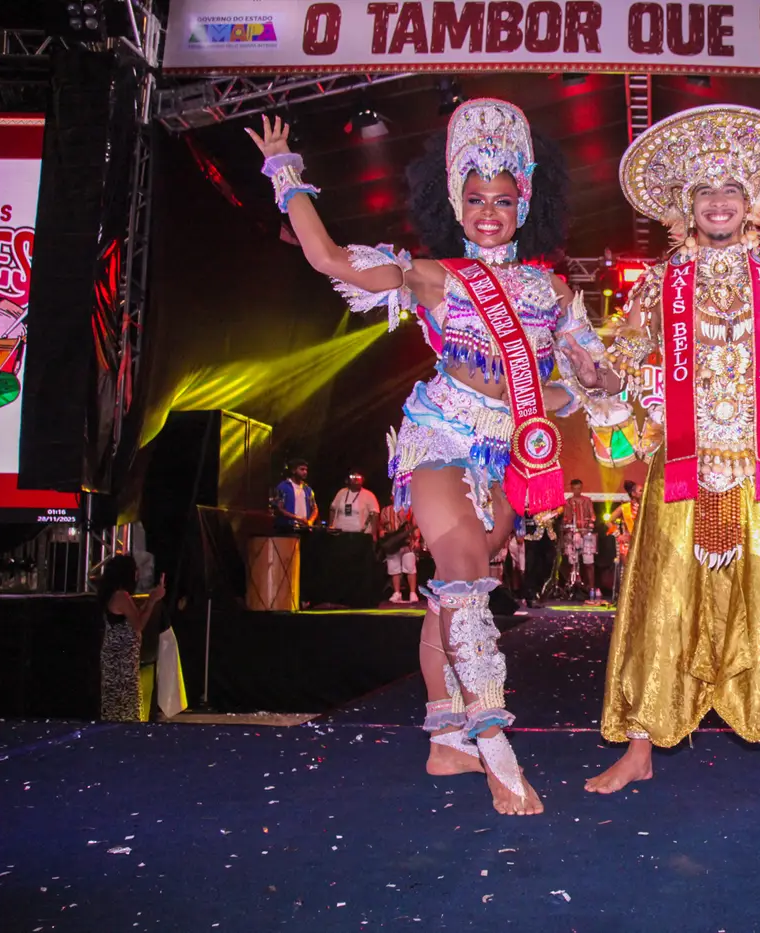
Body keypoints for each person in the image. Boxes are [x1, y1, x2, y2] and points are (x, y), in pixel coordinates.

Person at [248, 100, 628, 816]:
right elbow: (328, 258)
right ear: (455, 202)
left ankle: (446, 737)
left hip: (509, 456)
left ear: (525, 205)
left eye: (503, 200)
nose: (489, 212)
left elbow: (591, 384)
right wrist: (284, 173)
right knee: (463, 575)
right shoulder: (431, 276)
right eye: (475, 198)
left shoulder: (552, 292)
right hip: (442, 438)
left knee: (456, 589)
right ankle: (496, 747)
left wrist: (595, 375)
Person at [585, 104, 760, 798]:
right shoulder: (659, 282)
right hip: (680, 464)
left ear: (751, 202)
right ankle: (640, 745)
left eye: (732, 190)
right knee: (660, 599)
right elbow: (621, 363)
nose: (719, 201)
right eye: (706, 191)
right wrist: (598, 377)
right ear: (686, 205)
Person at [98, 555, 165, 722]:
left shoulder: (116, 595)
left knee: (119, 706)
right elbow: (138, 624)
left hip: (121, 659)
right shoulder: (121, 596)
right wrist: (152, 600)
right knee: (125, 708)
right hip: (121, 662)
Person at [561, 478, 600, 603]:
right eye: (575, 489)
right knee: (572, 563)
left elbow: (593, 516)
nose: (577, 491)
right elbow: (565, 518)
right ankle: (573, 588)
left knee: (589, 563)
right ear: (571, 489)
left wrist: (590, 523)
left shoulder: (587, 501)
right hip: (572, 535)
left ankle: (591, 589)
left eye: (579, 488)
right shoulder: (568, 502)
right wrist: (569, 526)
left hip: (586, 534)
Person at [378, 502, 420, 603]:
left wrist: (417, 540)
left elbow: (415, 525)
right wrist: (381, 531)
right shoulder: (386, 510)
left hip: (407, 542)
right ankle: (397, 593)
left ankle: (412, 593)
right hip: (392, 543)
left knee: (410, 568)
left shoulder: (410, 509)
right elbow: (381, 525)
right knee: (394, 569)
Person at [328, 471, 380, 536]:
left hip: (360, 534)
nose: (356, 479)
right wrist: (330, 526)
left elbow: (375, 515)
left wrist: (374, 534)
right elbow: (332, 509)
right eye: (353, 476)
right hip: (339, 533)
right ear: (349, 479)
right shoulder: (341, 492)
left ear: (362, 480)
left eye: (358, 477)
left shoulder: (369, 495)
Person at [273, 459, 317, 531]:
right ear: (293, 470)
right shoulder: (283, 487)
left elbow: (315, 508)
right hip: (287, 528)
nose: (305, 472)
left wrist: (310, 521)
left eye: (306, 470)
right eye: (302, 469)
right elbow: (279, 508)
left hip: (305, 528)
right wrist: (296, 518)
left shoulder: (308, 489)